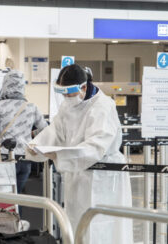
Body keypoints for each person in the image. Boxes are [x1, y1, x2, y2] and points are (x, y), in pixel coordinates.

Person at [26, 64, 132, 244]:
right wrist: (36, 146)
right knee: (76, 224)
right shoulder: (68, 107)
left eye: (69, 93)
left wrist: (59, 156)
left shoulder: (102, 106)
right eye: (63, 94)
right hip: (78, 176)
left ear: (83, 87)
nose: (66, 98)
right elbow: (55, 132)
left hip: (102, 177)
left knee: (101, 228)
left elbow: (95, 147)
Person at [0, 71, 47, 195]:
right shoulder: (32, 106)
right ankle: (18, 215)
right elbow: (45, 129)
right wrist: (32, 134)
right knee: (18, 196)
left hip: (5, 159)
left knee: (5, 199)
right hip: (25, 160)